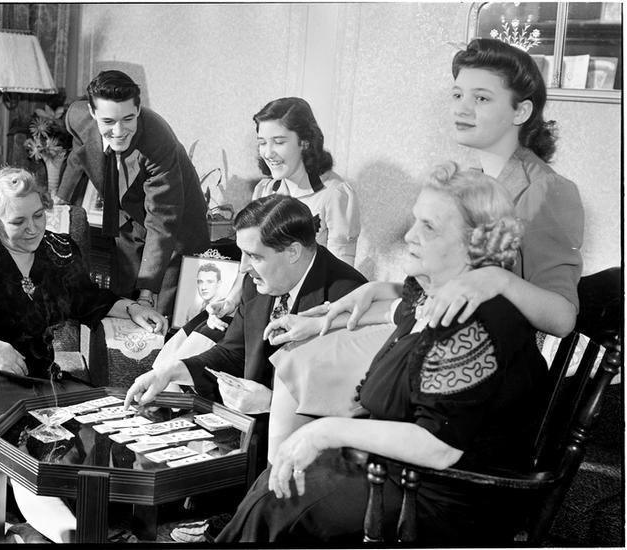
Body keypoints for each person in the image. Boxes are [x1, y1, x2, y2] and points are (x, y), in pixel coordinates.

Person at [217, 162, 548, 544]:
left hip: (441, 496)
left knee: (275, 506)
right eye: (415, 220)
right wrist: (320, 321)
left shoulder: (471, 323)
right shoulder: (433, 294)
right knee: (271, 492)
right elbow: (396, 311)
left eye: (429, 227)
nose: (409, 235)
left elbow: (438, 448)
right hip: (397, 471)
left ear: (474, 243)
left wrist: (325, 431)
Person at [0, 167, 167, 542]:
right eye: (18, 221)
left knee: (99, 424)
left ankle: (70, 525)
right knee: (27, 445)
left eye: (38, 215)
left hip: (39, 373)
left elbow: (87, 299)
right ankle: (70, 534)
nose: (32, 229)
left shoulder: (59, 251)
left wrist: (131, 307)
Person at [125, 194, 367, 470]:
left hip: (312, 460)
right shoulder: (257, 281)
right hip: (253, 440)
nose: (243, 267)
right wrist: (171, 371)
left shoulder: (347, 297)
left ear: (293, 252)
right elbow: (233, 353)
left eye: (254, 255)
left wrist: (273, 402)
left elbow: (349, 403)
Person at [422, 37, 583, 337]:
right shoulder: (473, 181)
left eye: (481, 99)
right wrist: (382, 292)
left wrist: (499, 280)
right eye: (457, 95)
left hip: (499, 353)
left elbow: (562, 318)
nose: (461, 109)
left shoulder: (546, 190)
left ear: (520, 112)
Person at [56, 69, 210, 317]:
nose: (118, 131)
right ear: (92, 112)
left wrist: (147, 294)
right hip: (128, 219)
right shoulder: (76, 116)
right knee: (122, 302)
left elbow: (161, 222)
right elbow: (78, 154)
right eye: (108, 121)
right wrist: (60, 200)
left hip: (175, 230)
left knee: (159, 314)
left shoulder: (158, 141)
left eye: (128, 119)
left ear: (138, 109)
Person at [204, 96, 361, 332]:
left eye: (278, 142)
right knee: (189, 340)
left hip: (306, 311)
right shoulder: (264, 189)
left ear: (305, 142)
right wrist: (231, 301)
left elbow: (340, 276)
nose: (268, 153)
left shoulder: (335, 194)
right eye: (262, 143)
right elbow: (250, 261)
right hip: (261, 301)